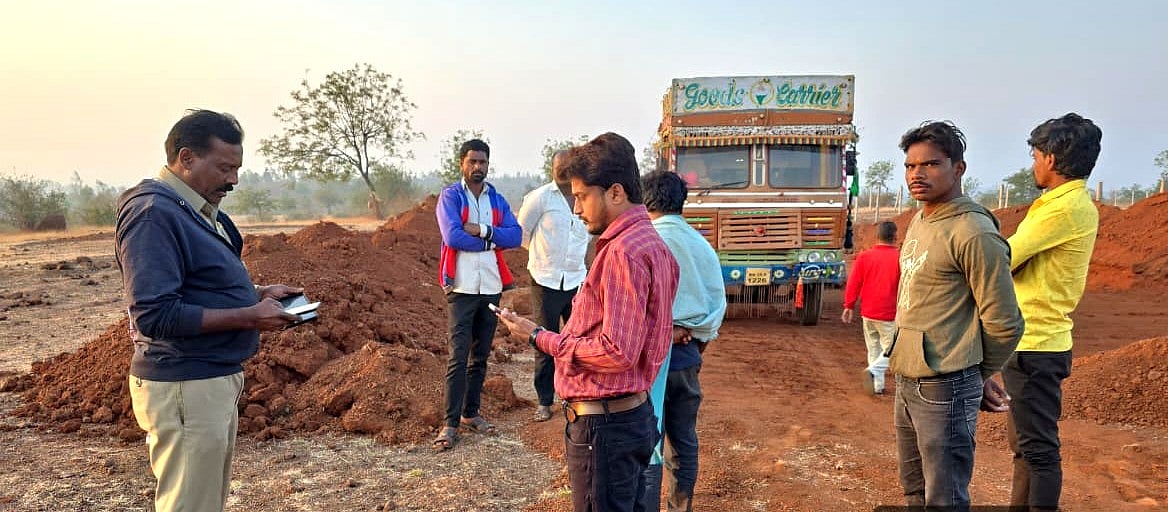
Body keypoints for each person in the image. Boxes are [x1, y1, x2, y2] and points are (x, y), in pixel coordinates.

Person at [116, 109, 302, 512]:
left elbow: (195, 284)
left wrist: (256, 293)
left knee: (204, 503)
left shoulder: (192, 210)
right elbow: (155, 314)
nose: (233, 180)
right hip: (185, 383)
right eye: (224, 168)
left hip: (208, 380)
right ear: (186, 158)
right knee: (189, 505)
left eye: (236, 168)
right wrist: (251, 315)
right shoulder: (153, 214)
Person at [496, 132, 679, 512]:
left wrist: (540, 337)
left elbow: (617, 351)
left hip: (605, 428)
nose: (576, 209)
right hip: (634, 414)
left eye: (580, 197)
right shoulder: (653, 244)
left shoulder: (623, 253)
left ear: (614, 193)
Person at [889, 121, 1025, 510]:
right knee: (914, 488)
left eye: (930, 164)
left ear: (958, 168)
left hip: (944, 385)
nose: (917, 174)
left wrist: (970, 375)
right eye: (911, 166)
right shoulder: (921, 219)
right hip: (908, 375)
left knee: (944, 497)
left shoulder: (973, 232)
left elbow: (1005, 321)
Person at [1001, 113, 1102, 510]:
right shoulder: (1064, 205)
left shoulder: (1060, 210)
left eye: (1036, 155)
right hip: (1034, 342)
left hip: (1036, 345)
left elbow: (1006, 256)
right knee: (1025, 449)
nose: (1033, 163)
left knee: (1038, 451)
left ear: (1053, 159)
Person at [638, 170, 727, 512]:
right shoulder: (701, 245)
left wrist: (663, 334)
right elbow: (717, 306)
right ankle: (680, 505)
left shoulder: (645, 242)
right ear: (682, 202)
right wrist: (693, 340)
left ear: (644, 200)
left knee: (648, 441)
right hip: (688, 358)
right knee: (684, 439)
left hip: (650, 362)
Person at [432, 139, 522, 451]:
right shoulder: (451, 197)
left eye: (483, 162)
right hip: (462, 288)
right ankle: (450, 423)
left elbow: (516, 235)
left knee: (480, 356)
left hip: (491, 288)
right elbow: (453, 236)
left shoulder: (495, 198)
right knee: (458, 357)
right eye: (473, 162)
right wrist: (494, 240)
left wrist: (483, 232)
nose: (478, 167)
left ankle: (471, 414)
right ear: (462, 163)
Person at [516, 149, 590, 422]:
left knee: (579, 342)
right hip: (544, 281)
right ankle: (544, 401)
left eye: (566, 167)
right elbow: (521, 234)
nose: (561, 172)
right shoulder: (539, 198)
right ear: (552, 169)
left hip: (576, 281)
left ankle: (577, 395)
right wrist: (542, 259)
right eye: (557, 168)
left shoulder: (585, 197)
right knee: (544, 342)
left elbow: (590, 237)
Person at [841, 221, 901, 395]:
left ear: (877, 236)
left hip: (868, 312)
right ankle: (873, 373)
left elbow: (854, 282)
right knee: (894, 350)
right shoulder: (900, 258)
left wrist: (849, 305)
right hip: (890, 313)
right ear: (895, 236)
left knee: (874, 348)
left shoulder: (865, 257)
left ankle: (876, 386)